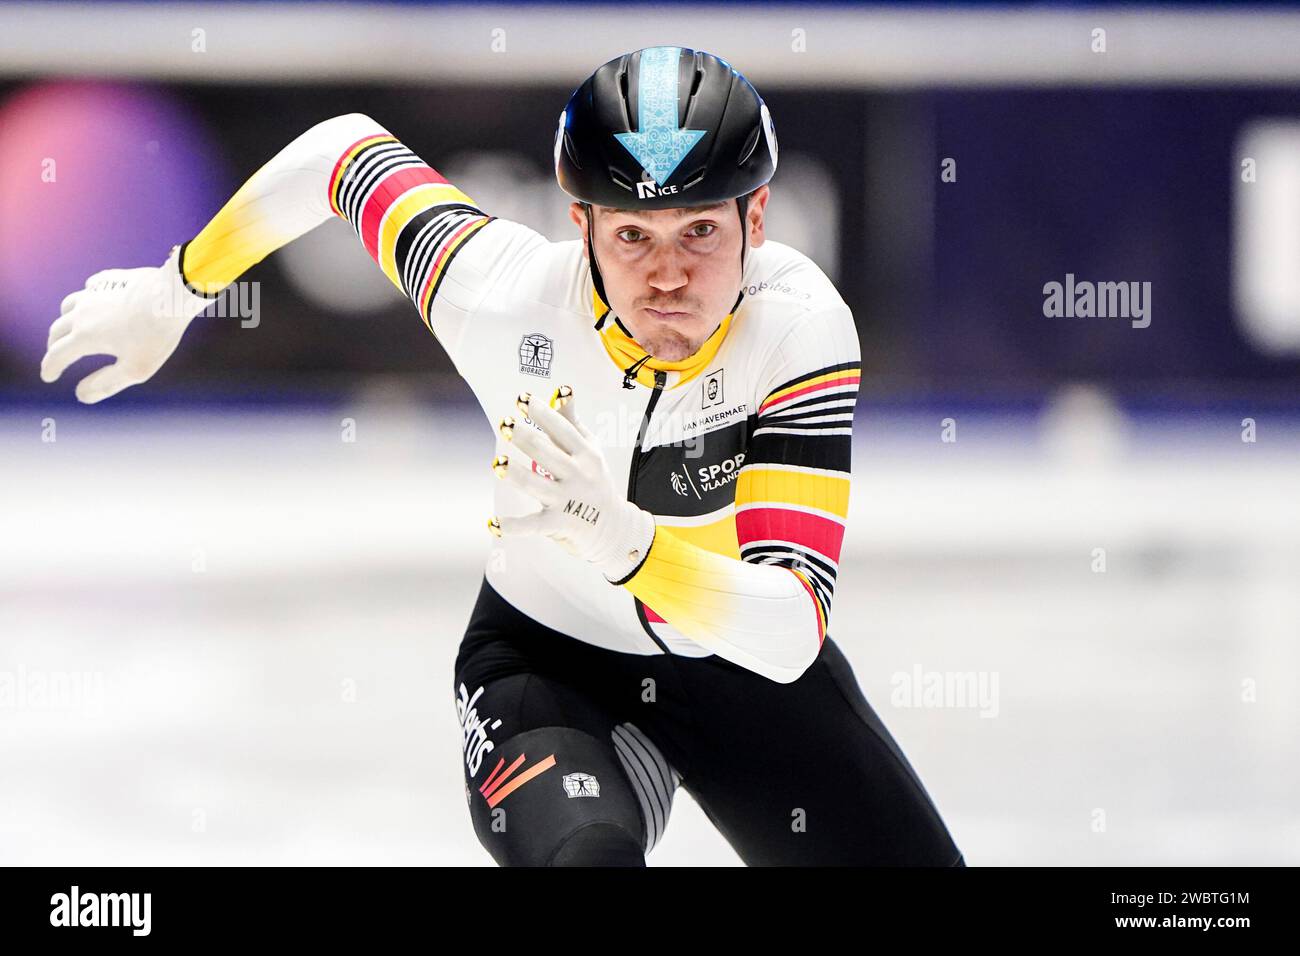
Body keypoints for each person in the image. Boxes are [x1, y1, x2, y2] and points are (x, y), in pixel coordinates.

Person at [40, 45, 965, 866]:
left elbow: (789, 627)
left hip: (744, 677)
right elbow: (340, 155)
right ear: (581, 223)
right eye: (633, 235)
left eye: (702, 233)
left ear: (758, 218)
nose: (670, 274)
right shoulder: (499, 293)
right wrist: (177, 287)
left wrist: (626, 548)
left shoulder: (798, 328)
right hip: (550, 672)